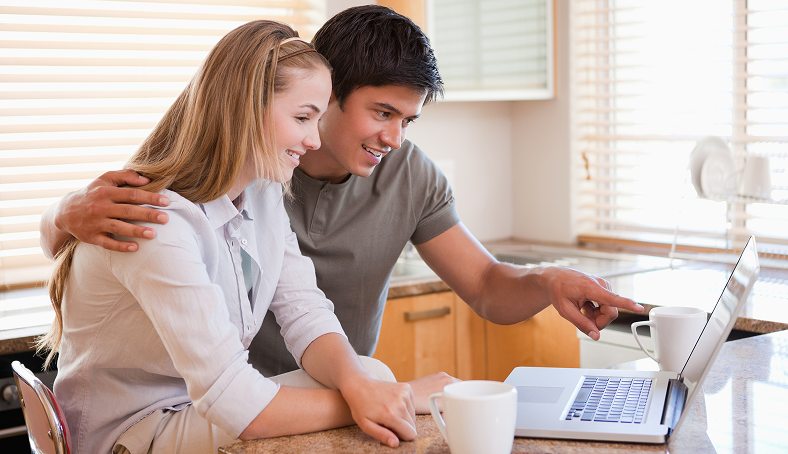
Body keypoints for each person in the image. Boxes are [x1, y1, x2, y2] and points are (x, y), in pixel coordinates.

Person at [40, 6, 643, 413]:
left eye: (407, 120)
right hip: (231, 408)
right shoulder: (256, 169)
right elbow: (125, 236)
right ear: (324, 95)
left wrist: (545, 280)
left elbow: (484, 284)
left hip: (324, 394)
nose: (394, 139)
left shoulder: (402, 175)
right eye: (381, 113)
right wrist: (63, 214)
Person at [38, 20, 418, 454]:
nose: (314, 140)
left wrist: (363, 388)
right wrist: (370, 400)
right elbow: (235, 402)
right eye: (302, 118)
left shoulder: (264, 193)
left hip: (187, 410)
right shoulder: (154, 222)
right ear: (243, 108)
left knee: (369, 375)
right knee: (376, 387)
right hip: (130, 435)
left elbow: (305, 310)